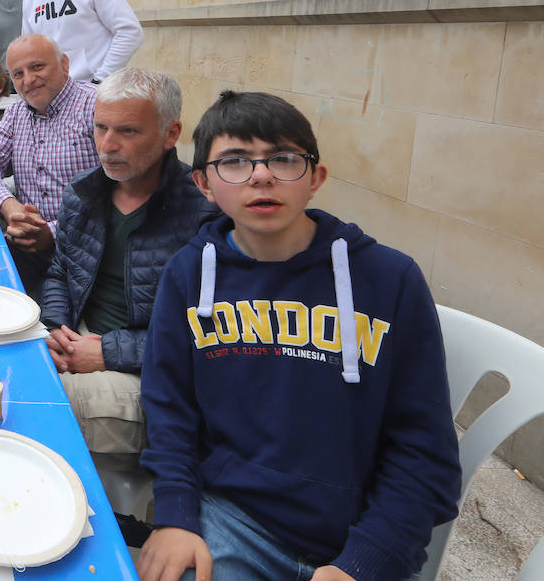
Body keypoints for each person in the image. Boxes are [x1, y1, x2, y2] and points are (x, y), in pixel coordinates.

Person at [139, 90, 461, 581]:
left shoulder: (390, 279)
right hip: (234, 520)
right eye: (235, 162)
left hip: (360, 538)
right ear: (203, 184)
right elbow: (169, 410)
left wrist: (364, 562)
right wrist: (175, 517)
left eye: (284, 159)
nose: (262, 175)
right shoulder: (187, 274)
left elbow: (424, 449)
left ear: (316, 178)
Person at [39, 69, 216, 497]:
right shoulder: (84, 192)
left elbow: (209, 333)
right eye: (101, 127)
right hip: (77, 339)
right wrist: (55, 328)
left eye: (128, 131)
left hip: (148, 375)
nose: (108, 144)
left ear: (171, 133)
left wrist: (108, 352)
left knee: (30, 404)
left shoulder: (205, 214)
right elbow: (61, 269)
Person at [0, 34, 99, 299]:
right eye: (18, 73)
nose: (28, 80)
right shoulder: (17, 112)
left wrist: (52, 231)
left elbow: (119, 196)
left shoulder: (95, 107)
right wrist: (9, 205)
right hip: (27, 247)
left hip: (86, 253)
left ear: (64, 65)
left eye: (38, 67)